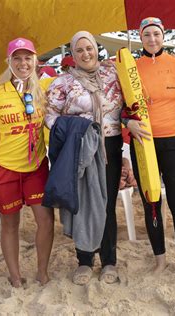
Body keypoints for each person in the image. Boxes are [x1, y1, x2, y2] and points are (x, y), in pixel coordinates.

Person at [45, 31, 123, 285]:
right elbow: (49, 116)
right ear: (73, 54)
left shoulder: (114, 74)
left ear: (96, 49)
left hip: (110, 146)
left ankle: (109, 260)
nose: (85, 54)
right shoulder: (63, 83)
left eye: (89, 48)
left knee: (107, 203)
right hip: (81, 148)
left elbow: (132, 106)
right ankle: (85, 261)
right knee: (85, 203)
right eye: (79, 50)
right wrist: (77, 128)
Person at [124, 17, 175, 282]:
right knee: (151, 203)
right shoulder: (131, 67)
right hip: (143, 144)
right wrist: (127, 121)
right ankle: (160, 260)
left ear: (163, 36)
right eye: (147, 35)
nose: (152, 39)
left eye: (157, 34)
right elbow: (120, 106)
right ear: (140, 38)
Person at [0, 38, 54, 287]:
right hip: (4, 166)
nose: (23, 63)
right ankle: (15, 276)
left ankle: (42, 272)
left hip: (36, 166)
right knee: (10, 223)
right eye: (17, 58)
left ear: (35, 61)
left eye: (27, 58)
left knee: (46, 220)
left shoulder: (43, 90)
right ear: (9, 62)